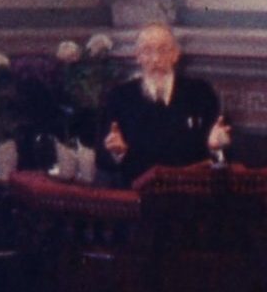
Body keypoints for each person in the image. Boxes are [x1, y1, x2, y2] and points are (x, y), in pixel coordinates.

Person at [98, 23, 231, 185]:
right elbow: (103, 160)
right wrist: (117, 153)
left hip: (191, 193)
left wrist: (215, 148)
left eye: (163, 50)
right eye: (147, 51)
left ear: (175, 54)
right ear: (138, 56)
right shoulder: (120, 96)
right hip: (137, 195)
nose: (156, 59)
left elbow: (220, 160)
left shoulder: (200, 92)